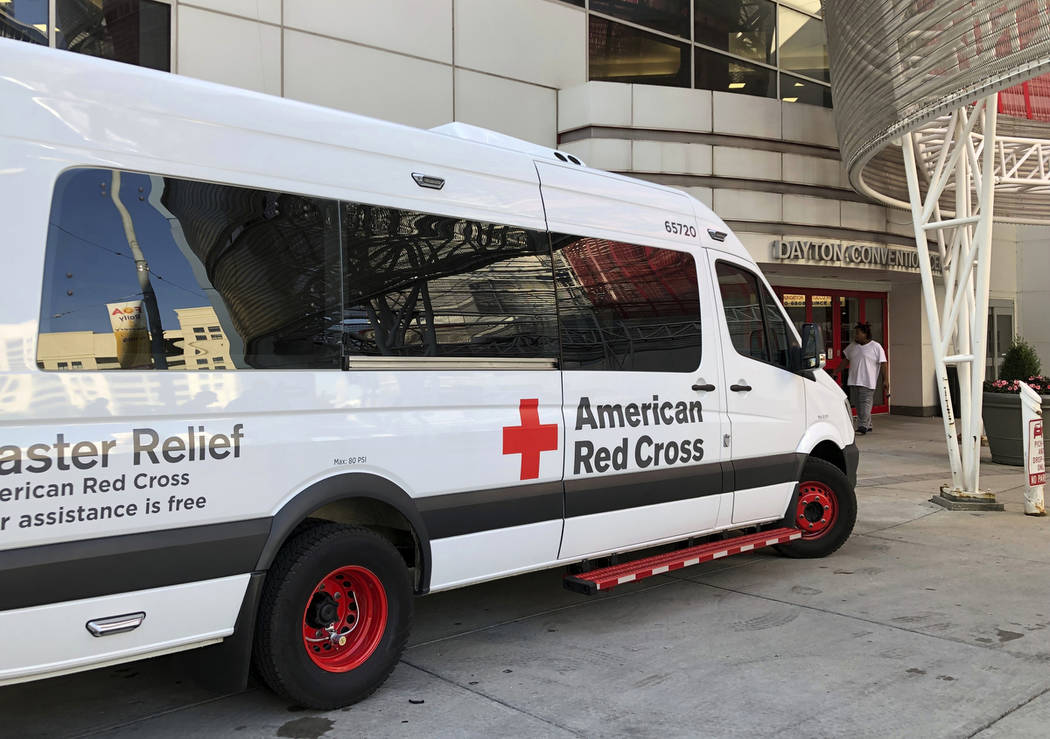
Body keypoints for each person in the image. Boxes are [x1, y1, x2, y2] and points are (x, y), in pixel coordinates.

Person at [836, 322, 888, 435]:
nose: (856, 336)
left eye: (858, 333)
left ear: (865, 334)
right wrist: (836, 372)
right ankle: (868, 424)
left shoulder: (876, 347)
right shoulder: (852, 346)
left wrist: (886, 380)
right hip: (854, 380)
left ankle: (862, 426)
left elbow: (883, 363)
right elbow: (845, 360)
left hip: (868, 381)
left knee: (865, 404)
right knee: (859, 405)